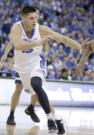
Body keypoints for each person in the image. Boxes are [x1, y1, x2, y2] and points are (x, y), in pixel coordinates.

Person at [10, 5, 81, 133]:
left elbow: (62, 38)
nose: (34, 21)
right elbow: (18, 45)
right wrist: (38, 43)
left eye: (36, 18)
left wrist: (80, 47)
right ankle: (58, 119)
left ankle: (49, 119)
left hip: (36, 62)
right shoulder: (17, 28)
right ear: (24, 18)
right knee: (34, 92)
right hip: (22, 67)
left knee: (36, 84)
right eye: (31, 18)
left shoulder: (41, 29)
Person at [0, 41, 40, 125]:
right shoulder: (20, 30)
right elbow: (11, 43)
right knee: (18, 88)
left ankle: (31, 108)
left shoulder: (37, 33)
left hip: (34, 65)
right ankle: (11, 115)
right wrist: (5, 54)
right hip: (22, 65)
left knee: (37, 89)